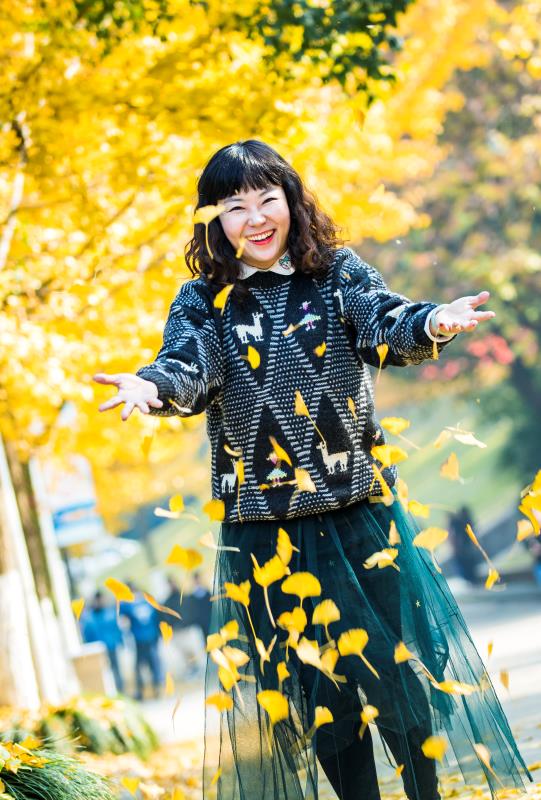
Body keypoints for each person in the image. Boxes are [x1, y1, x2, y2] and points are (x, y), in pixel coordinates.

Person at [93, 141, 529, 800]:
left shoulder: (336, 274)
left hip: (361, 519)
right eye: (234, 206)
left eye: (267, 199)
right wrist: (151, 386)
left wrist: (434, 322)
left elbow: (385, 321)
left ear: (291, 203)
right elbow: (186, 365)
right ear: (213, 220)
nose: (255, 218)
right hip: (265, 536)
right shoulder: (203, 300)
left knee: (397, 678)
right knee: (322, 698)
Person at [119, 584, 164, 701]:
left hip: (139, 639)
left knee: (140, 666)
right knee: (154, 663)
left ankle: (141, 691)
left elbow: (122, 618)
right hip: (151, 636)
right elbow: (158, 617)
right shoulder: (147, 600)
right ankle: (157, 687)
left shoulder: (127, 604)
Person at [81, 590, 125, 693]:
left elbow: (117, 629)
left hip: (111, 647)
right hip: (98, 651)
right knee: (103, 672)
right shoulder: (89, 618)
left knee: (115, 670)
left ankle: (120, 690)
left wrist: (120, 641)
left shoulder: (110, 614)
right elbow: (87, 635)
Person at [447, 505, 480, 585]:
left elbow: (456, 538)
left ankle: (471, 580)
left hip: (462, 550)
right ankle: (472, 580)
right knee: (468, 567)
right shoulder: (461, 523)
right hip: (464, 549)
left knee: (467, 567)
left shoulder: (456, 524)